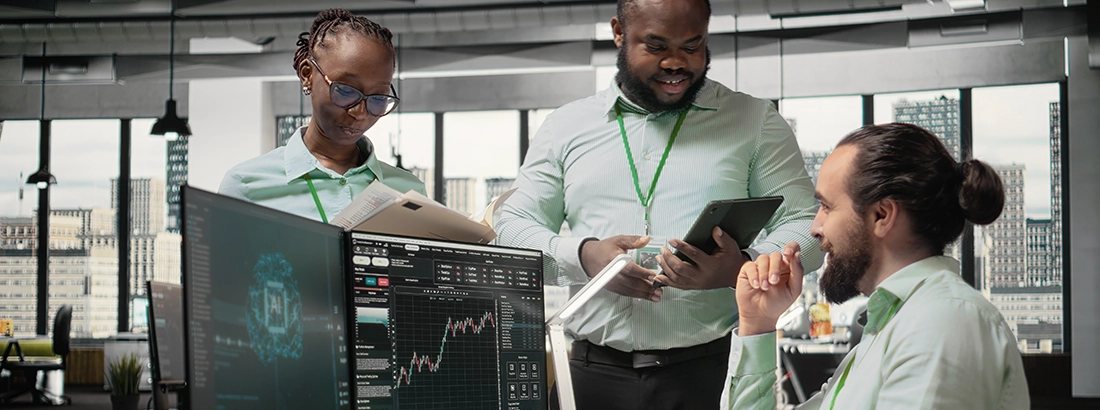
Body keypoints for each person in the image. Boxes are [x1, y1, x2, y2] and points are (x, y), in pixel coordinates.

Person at [494, 0, 822, 407]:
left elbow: (808, 225)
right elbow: (510, 231)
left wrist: (742, 267)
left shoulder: (754, 121)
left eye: (692, 45)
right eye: (656, 46)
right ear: (618, 32)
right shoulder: (566, 126)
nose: (675, 63)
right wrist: (585, 258)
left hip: (709, 375)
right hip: (589, 377)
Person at [723, 123, 1029, 409]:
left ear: (882, 215)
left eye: (827, 207)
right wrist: (757, 325)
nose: (815, 227)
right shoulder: (891, 327)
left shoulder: (942, 322)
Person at [219, 9, 424, 221]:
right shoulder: (246, 186)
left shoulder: (409, 193)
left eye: (378, 99)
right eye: (345, 91)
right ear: (307, 74)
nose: (360, 113)